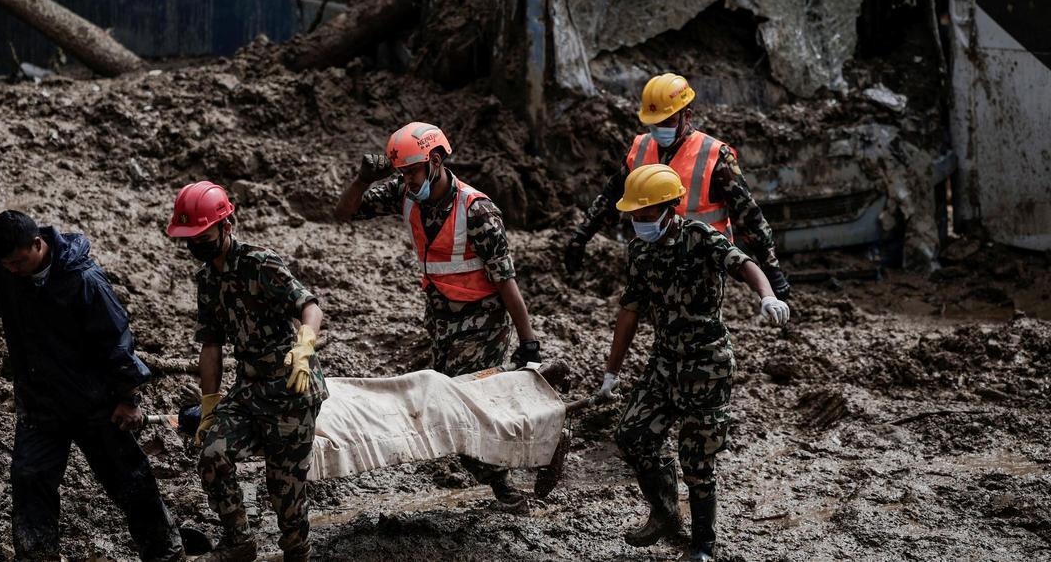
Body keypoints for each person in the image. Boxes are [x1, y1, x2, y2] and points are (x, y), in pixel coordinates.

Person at [0, 210, 182, 561]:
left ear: (37, 244)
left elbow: (117, 342)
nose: (12, 269)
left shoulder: (84, 280)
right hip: (40, 404)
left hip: (95, 403)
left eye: (18, 262)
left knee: (129, 479)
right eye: (6, 263)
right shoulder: (4, 273)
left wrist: (129, 398)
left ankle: (165, 552)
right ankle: (37, 555)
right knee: (30, 479)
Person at [333, 121, 542, 513]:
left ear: (436, 160)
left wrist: (528, 341)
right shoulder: (404, 193)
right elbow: (344, 213)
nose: (408, 181)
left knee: (461, 405)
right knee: (464, 402)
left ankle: (506, 486)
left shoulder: (477, 212)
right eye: (402, 174)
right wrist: (363, 180)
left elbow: (506, 280)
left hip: (483, 322)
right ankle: (512, 465)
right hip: (441, 318)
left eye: (412, 171)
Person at [594, 165, 790, 561]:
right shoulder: (639, 250)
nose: (638, 222)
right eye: (634, 215)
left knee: (696, 459)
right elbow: (630, 311)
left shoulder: (699, 237)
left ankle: (703, 546)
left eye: (645, 215)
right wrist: (610, 373)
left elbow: (744, 264)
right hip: (665, 360)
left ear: (669, 209)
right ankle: (665, 513)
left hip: (707, 363)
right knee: (632, 434)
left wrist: (767, 295)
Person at [166, 181, 325, 562]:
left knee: (283, 491)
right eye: (190, 238)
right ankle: (240, 541)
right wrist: (208, 406)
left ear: (227, 225)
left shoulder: (261, 264)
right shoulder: (207, 280)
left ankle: (297, 551)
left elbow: (310, 306)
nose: (197, 245)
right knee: (211, 452)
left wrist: (304, 346)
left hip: (291, 388)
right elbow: (211, 346)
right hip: (249, 389)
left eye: (203, 235)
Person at [565, 73, 791, 300]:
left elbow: (748, 215)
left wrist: (771, 269)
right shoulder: (640, 148)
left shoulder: (714, 155)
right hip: (653, 258)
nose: (660, 129)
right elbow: (611, 196)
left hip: (703, 262)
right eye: (654, 123)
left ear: (687, 116)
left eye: (668, 121)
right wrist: (582, 236)